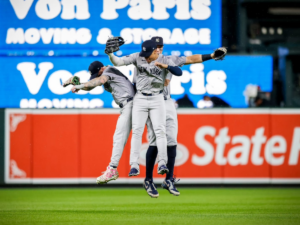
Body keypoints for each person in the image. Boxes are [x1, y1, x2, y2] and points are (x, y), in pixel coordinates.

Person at [142, 36, 226, 197]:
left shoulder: (169, 59)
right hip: (151, 102)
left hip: (167, 101)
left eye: (161, 46)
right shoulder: (141, 61)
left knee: (172, 140)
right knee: (153, 141)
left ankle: (169, 179)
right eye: (156, 46)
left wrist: (212, 55)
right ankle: (148, 179)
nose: (158, 48)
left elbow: (191, 59)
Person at [106, 39, 182, 192]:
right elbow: (118, 62)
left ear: (157, 50)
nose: (147, 56)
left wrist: (211, 56)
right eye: (145, 53)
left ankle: (164, 167)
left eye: (153, 51)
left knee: (164, 134)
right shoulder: (138, 57)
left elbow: (181, 69)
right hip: (141, 97)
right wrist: (110, 54)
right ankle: (135, 166)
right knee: (139, 131)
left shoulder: (166, 59)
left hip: (159, 98)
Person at [63, 61, 135, 184]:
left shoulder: (108, 70)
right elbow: (92, 85)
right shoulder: (105, 73)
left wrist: (79, 86)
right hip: (131, 104)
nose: (97, 76)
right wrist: (79, 84)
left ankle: (112, 169)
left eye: (97, 73)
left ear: (101, 68)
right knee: (155, 133)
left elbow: (99, 81)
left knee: (119, 137)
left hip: (131, 105)